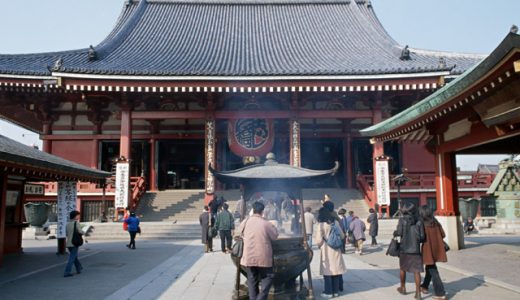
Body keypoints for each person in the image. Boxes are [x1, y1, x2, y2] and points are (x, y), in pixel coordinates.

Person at [239, 201, 279, 300]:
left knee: (252, 281)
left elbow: (237, 234)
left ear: (253, 210)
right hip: (263, 257)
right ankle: (260, 298)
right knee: (268, 277)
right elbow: (275, 236)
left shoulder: (246, 221)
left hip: (249, 256)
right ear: (262, 211)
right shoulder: (265, 223)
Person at [395, 203, 425, 300]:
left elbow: (399, 233)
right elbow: (422, 237)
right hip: (415, 249)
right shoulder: (419, 221)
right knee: (417, 271)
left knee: (402, 268)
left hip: (404, 248)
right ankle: (418, 293)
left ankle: (403, 288)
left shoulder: (402, 220)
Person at [316, 205, 346, 298]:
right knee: (336, 271)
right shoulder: (335, 222)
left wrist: (320, 245)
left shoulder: (321, 225)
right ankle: (335, 291)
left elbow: (318, 240)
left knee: (328, 271)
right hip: (336, 249)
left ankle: (328, 292)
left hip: (326, 249)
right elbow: (342, 236)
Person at [419, 205, 447, 300]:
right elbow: (443, 234)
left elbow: (421, 238)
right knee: (430, 267)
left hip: (428, 249)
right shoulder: (436, 222)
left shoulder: (422, 223)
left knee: (433, 270)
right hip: (438, 248)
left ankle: (440, 293)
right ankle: (424, 286)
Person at [64, 210, 83, 277]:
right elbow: (80, 232)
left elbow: (66, 234)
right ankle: (67, 272)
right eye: (78, 215)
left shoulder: (67, 224)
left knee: (74, 257)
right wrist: (83, 231)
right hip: (74, 243)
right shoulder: (76, 223)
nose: (78, 216)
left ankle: (79, 268)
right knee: (72, 258)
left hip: (69, 243)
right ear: (75, 216)